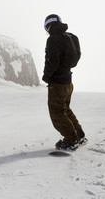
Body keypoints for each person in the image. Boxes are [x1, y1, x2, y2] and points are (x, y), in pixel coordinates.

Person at [42, 14, 86, 150]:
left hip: (57, 83)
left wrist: (46, 76)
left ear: (48, 26)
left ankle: (71, 140)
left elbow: (52, 60)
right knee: (65, 110)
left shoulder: (53, 39)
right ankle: (79, 135)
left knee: (57, 113)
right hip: (68, 82)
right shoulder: (71, 37)